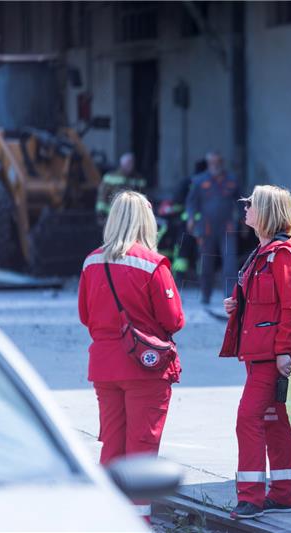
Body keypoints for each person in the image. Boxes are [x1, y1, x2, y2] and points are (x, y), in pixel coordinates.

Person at [78, 191, 184, 521]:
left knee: (112, 446)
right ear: (145, 221)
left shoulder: (91, 262)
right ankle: (138, 521)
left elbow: (85, 315)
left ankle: (109, 518)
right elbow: (173, 320)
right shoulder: (153, 264)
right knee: (141, 448)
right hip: (145, 370)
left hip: (105, 367)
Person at [219, 185, 291, 519]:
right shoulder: (264, 251)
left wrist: (284, 351)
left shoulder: (282, 253)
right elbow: (264, 299)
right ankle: (285, 494)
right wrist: (237, 303)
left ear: (267, 212)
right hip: (259, 352)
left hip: (269, 355)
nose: (245, 208)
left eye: (251, 205)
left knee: (248, 418)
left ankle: (250, 498)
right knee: (273, 418)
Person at [185, 151, 241, 309]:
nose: (215, 165)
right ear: (208, 163)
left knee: (230, 263)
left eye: (217, 162)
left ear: (222, 163)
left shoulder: (232, 180)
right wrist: (190, 218)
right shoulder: (199, 180)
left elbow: (240, 202)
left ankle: (229, 296)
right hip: (206, 228)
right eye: (212, 163)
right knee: (206, 263)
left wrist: (245, 221)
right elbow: (191, 202)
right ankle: (205, 294)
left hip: (227, 228)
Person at [96, 152, 148, 225]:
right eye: (128, 163)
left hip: (132, 218)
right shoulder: (110, 177)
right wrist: (101, 214)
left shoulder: (139, 179)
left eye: (131, 163)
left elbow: (143, 197)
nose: (130, 166)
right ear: (122, 164)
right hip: (113, 216)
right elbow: (102, 197)